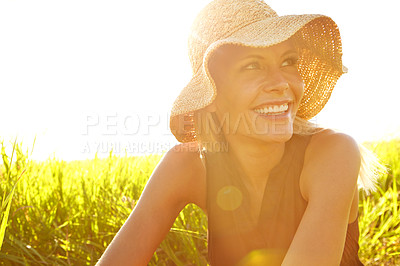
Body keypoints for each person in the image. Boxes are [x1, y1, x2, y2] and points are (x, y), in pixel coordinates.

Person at [97, 0, 383, 265]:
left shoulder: (333, 152)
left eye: (288, 61)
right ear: (212, 95)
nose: (281, 83)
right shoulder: (187, 164)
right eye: (252, 66)